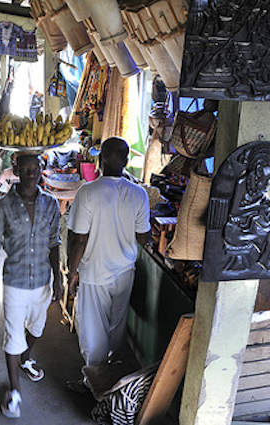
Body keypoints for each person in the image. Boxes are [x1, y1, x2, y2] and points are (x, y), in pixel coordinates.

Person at [66, 137, 151, 392]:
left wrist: (72, 272)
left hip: (95, 270)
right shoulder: (139, 193)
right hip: (125, 270)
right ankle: (113, 378)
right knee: (117, 326)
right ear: (126, 162)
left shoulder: (88, 192)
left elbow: (79, 240)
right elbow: (143, 238)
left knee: (94, 332)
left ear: (99, 160)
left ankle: (94, 384)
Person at [0, 154, 63, 418]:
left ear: (42, 169)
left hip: (42, 280)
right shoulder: (2, 206)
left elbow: (54, 242)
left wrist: (59, 279)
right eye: (25, 169)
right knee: (13, 334)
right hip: (15, 281)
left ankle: (25, 357)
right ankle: (15, 391)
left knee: (37, 329)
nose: (31, 173)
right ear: (15, 170)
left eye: (35, 168)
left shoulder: (51, 204)